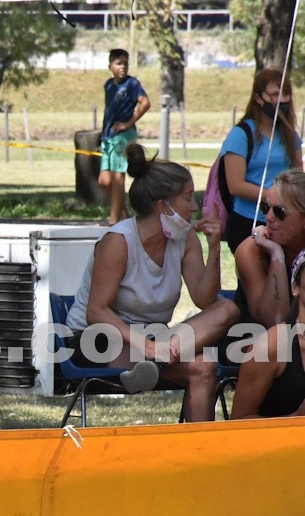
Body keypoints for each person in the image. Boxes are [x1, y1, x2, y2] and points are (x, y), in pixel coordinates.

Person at [66, 143, 240, 422]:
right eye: (187, 198)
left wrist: (216, 248)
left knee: (221, 325)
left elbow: (205, 301)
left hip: (156, 343)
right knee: (201, 363)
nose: (195, 207)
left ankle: (199, 457)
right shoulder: (119, 242)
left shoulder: (185, 239)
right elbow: (96, 312)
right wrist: (147, 346)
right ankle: (153, 360)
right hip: (96, 340)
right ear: (163, 206)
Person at [218, 69, 302, 255]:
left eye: (286, 94)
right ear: (258, 98)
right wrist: (276, 199)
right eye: (274, 94)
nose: (282, 100)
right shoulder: (240, 135)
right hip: (249, 219)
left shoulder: (290, 135)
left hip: (285, 221)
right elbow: (235, 185)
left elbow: (298, 175)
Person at [230, 250, 305, 419]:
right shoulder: (269, 347)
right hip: (282, 444)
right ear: (295, 287)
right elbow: (239, 422)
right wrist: (296, 419)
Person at [232, 169, 305, 328]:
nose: (269, 217)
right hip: (251, 342)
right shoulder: (250, 250)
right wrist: (276, 254)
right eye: (265, 207)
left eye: (279, 211)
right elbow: (274, 321)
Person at [98, 48, 150, 225]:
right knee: (104, 181)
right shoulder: (109, 85)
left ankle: (114, 221)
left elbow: (145, 103)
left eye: (126, 63)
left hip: (123, 135)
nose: (123, 67)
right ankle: (125, 217)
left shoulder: (132, 84)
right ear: (110, 66)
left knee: (117, 177)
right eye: (119, 63)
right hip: (109, 136)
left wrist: (128, 123)